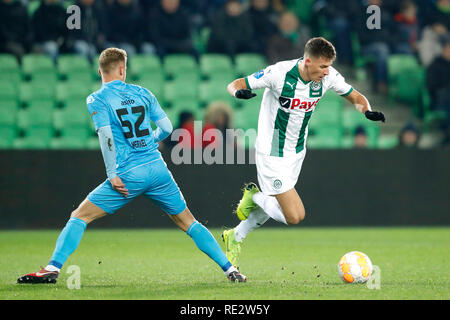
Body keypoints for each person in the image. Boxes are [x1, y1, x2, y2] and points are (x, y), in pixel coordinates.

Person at [17, 48, 247, 284]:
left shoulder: (97, 99)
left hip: (128, 173)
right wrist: (149, 140)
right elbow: (167, 128)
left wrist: (112, 174)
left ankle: (52, 268)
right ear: (122, 69)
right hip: (158, 170)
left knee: (80, 216)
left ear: (100, 71)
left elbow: (106, 138)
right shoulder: (143, 93)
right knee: (189, 222)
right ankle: (231, 270)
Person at [222, 37, 385, 268]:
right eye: (322, 67)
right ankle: (254, 197)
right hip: (272, 151)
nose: (327, 72)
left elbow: (355, 96)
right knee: (295, 215)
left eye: (329, 66)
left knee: (279, 203)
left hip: (296, 151)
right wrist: (238, 93)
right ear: (307, 61)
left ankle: (235, 236)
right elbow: (236, 83)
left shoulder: (328, 76)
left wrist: (367, 111)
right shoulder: (279, 73)